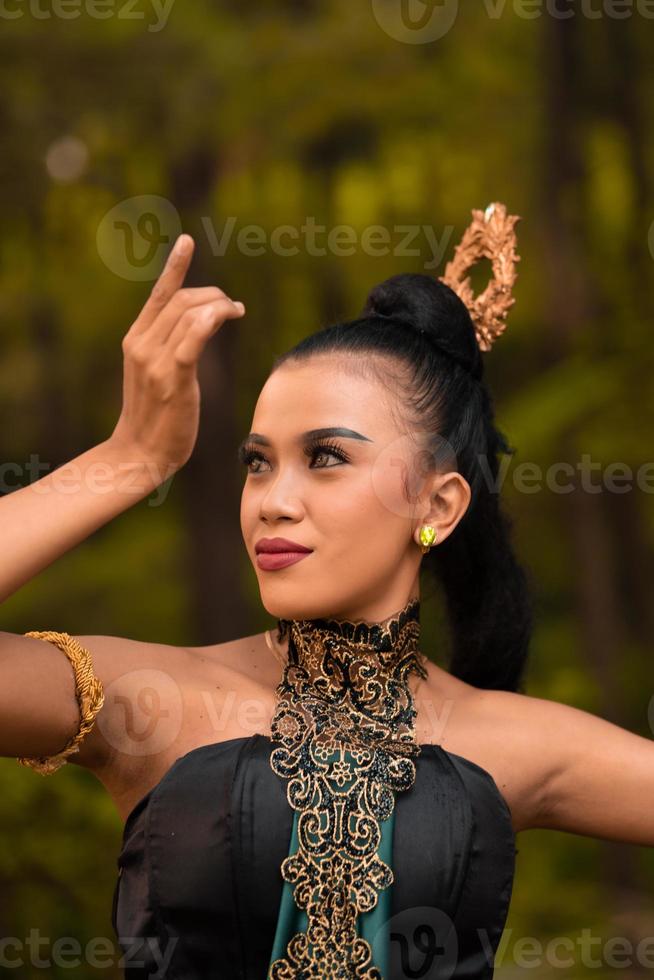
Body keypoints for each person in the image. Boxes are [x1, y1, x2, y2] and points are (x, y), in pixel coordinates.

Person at [2, 210, 652, 980]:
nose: (273, 501)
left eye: (326, 457)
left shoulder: (520, 742)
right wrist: (132, 457)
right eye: (257, 463)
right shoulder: (150, 700)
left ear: (438, 506)